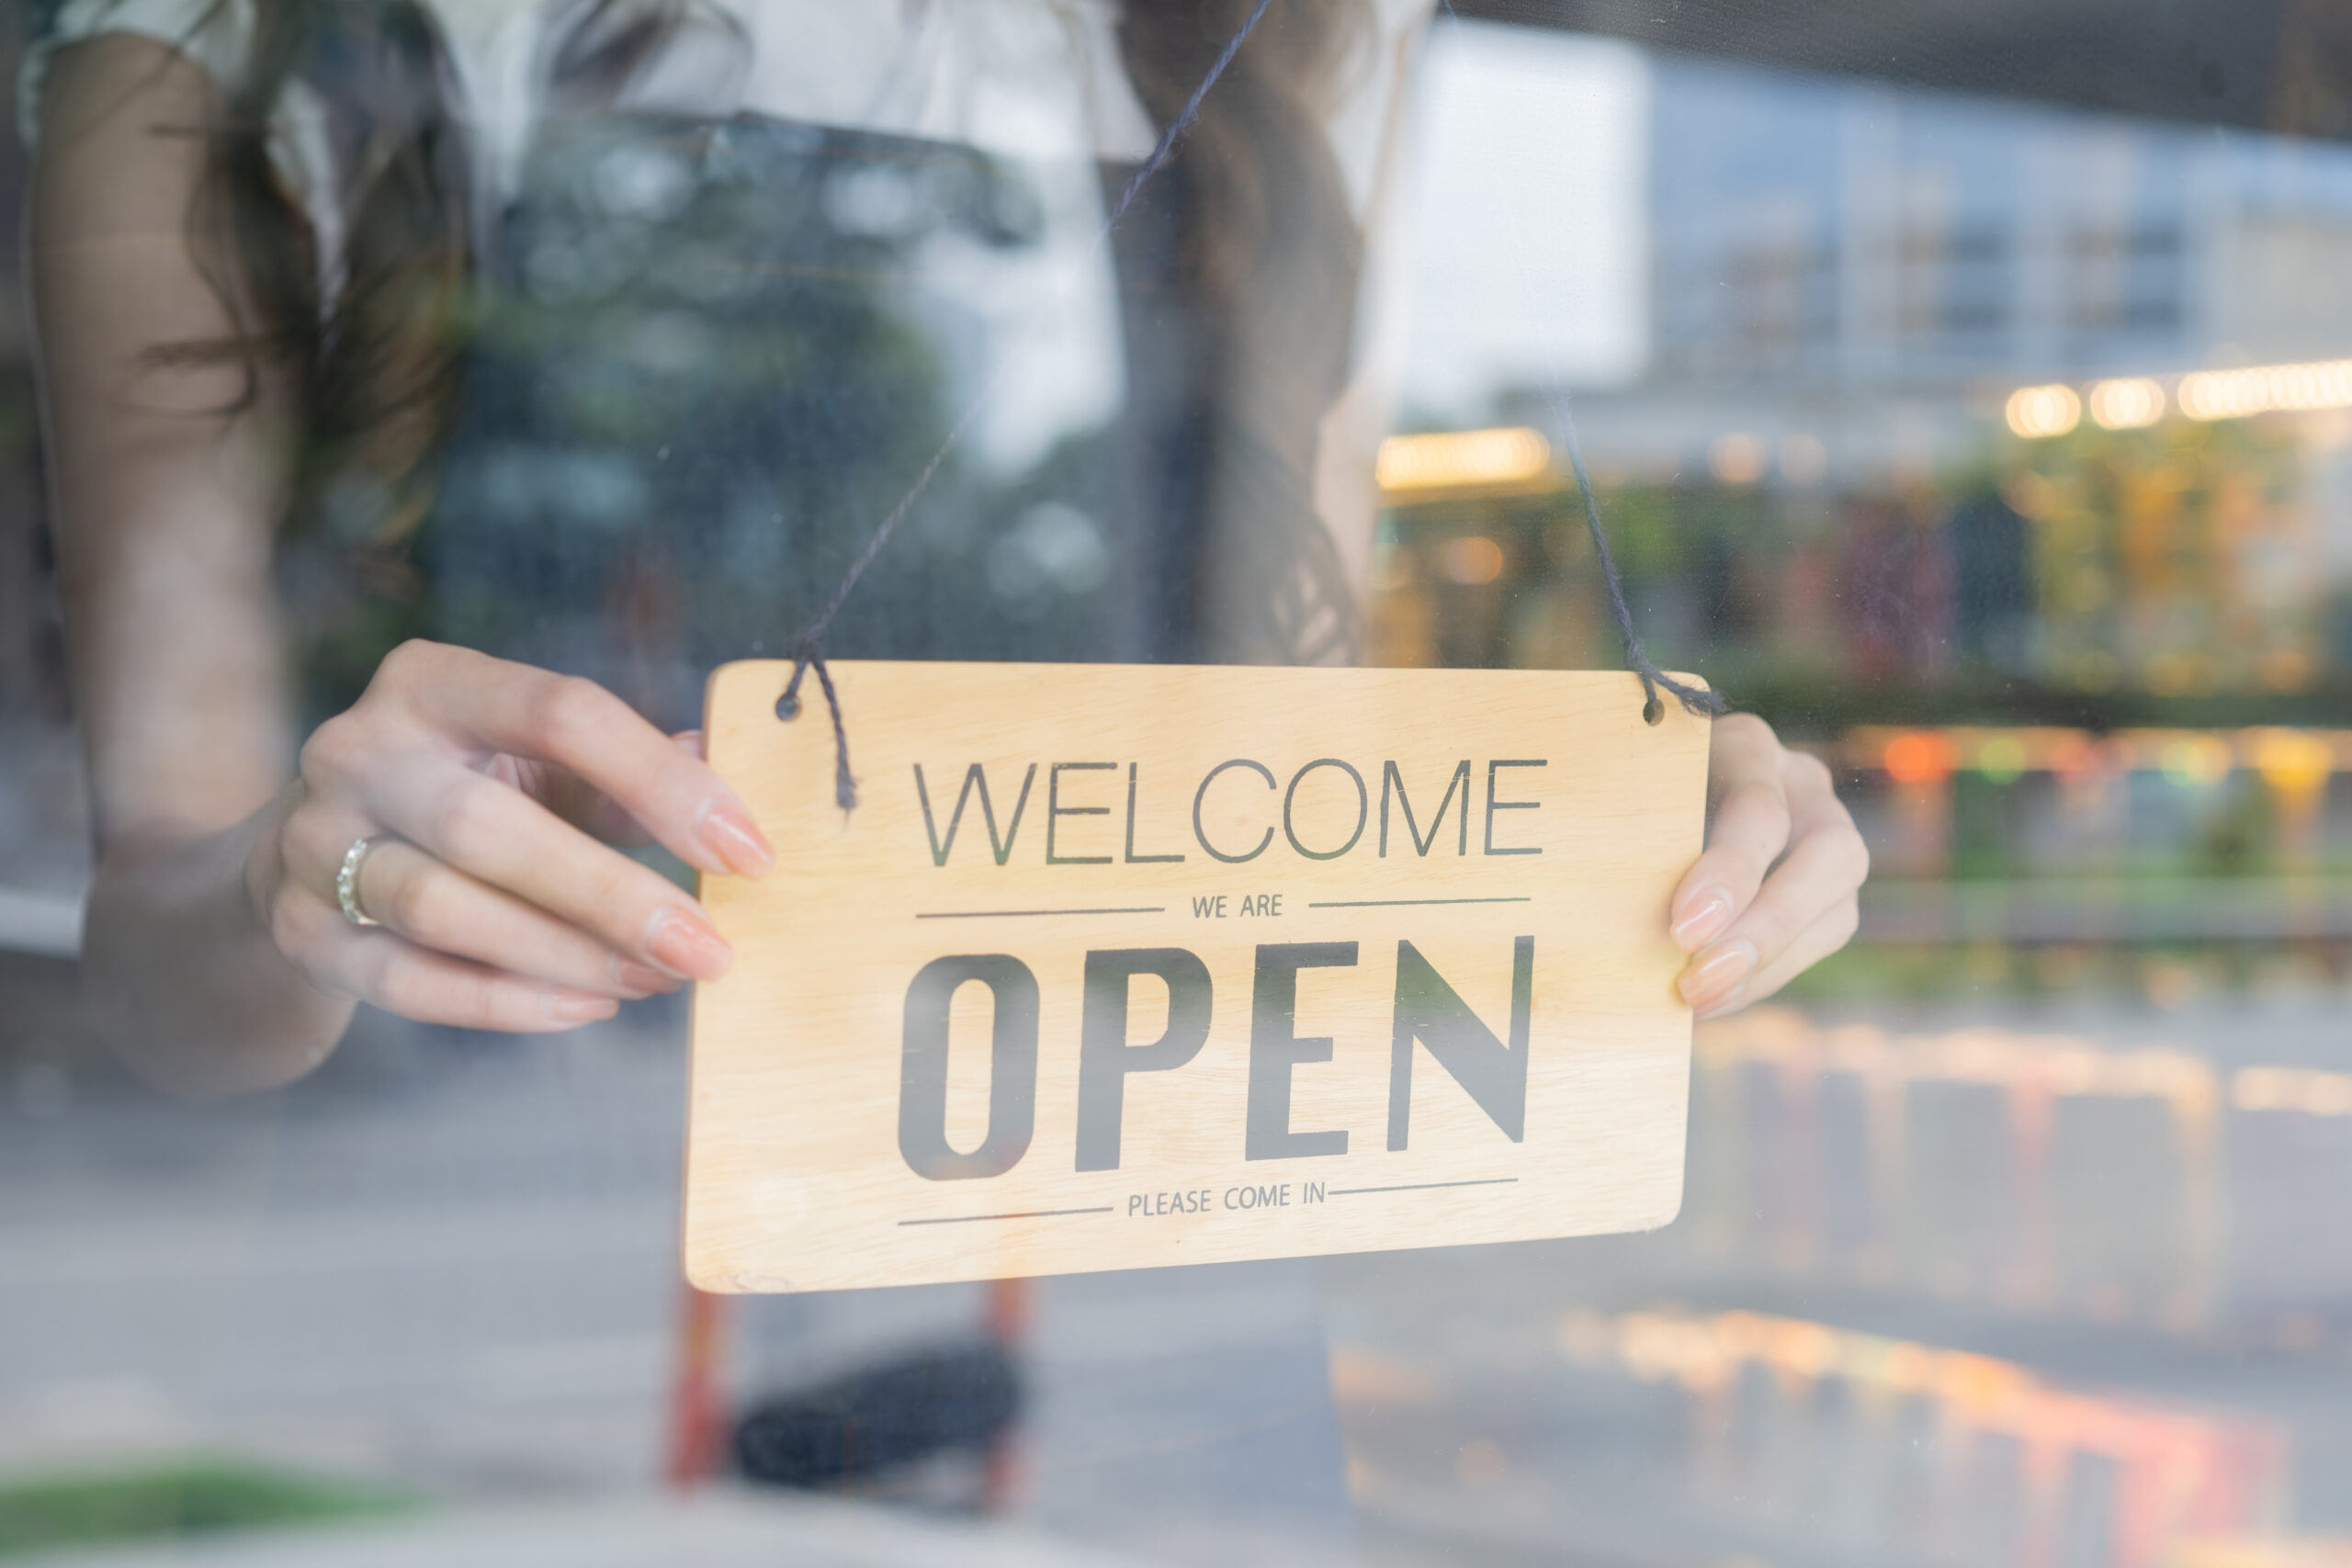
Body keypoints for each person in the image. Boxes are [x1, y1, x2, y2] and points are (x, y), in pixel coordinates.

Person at [25, 0, 1865, 1540]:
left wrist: (1642, 845)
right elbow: (163, 980)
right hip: (518, 1381)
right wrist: (312, 872)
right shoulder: (225, 45)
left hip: (1150, 1395)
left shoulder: (1288, 38)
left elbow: (1275, 816)